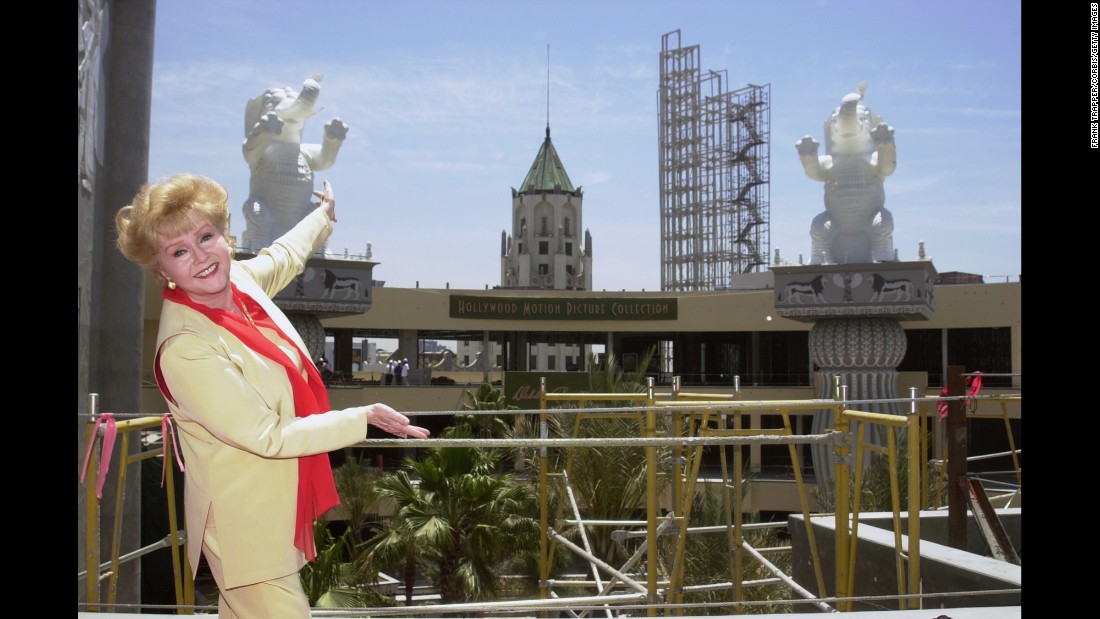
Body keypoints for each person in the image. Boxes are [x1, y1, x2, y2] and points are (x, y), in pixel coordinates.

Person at [114, 173, 430, 619]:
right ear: (162, 270)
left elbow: (283, 257)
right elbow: (268, 436)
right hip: (245, 526)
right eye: (180, 251)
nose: (201, 257)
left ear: (224, 235)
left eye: (207, 237)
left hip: (273, 510)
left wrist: (323, 217)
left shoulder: (240, 284)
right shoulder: (185, 348)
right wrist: (362, 417)